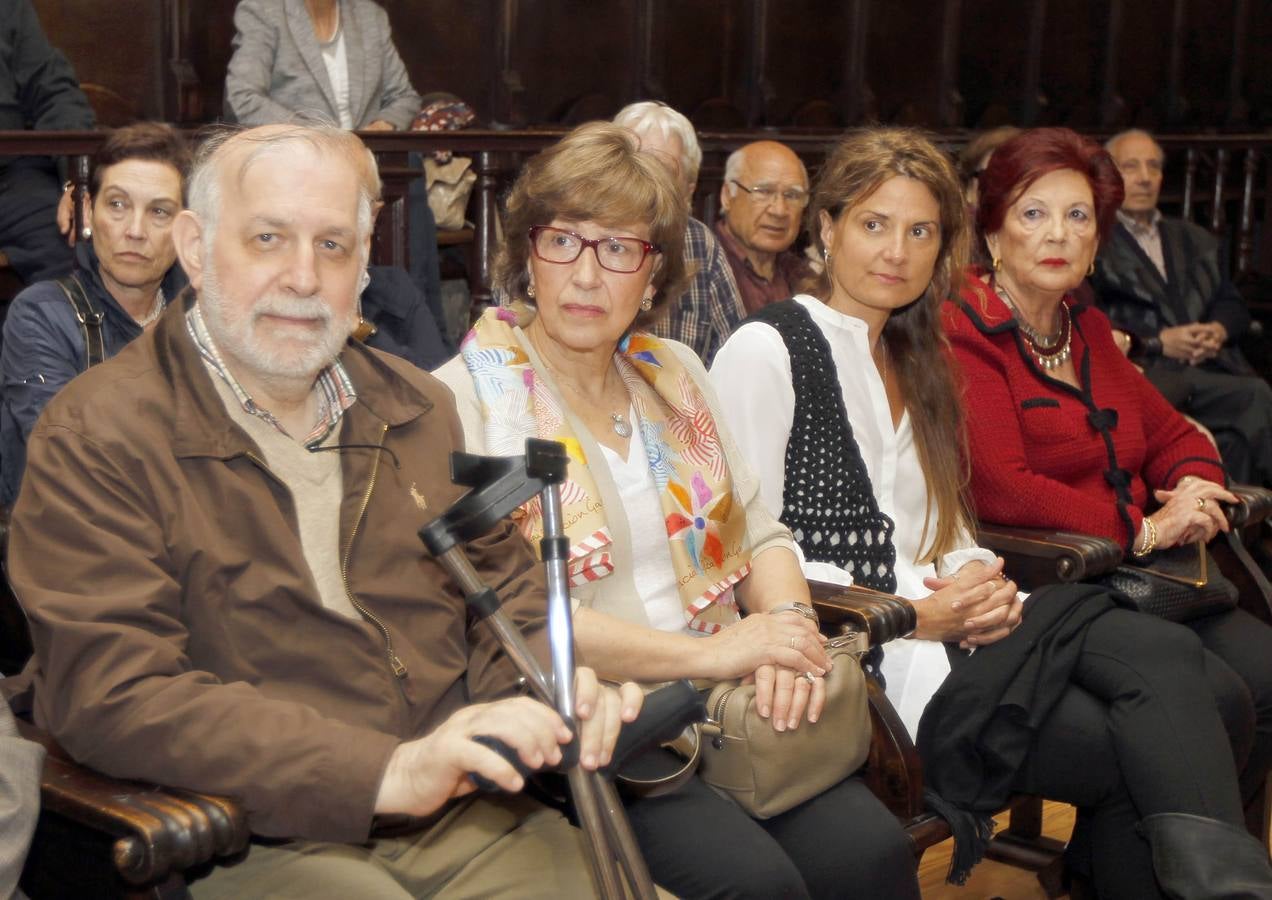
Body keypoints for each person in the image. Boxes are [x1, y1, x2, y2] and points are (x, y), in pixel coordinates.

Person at [6, 123, 642, 899]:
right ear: (196, 248)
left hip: (467, 812)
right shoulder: (97, 434)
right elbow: (114, 692)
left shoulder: (418, 407)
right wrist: (385, 771)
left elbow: (505, 597)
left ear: (364, 262)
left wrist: (552, 686)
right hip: (249, 830)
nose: (304, 278)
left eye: (333, 246)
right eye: (269, 238)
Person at [712, 126, 1272, 898]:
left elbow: (946, 526)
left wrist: (979, 579)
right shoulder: (768, 348)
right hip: (867, 661)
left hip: (969, 634)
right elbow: (743, 544)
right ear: (829, 228)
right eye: (874, 225)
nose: (896, 252)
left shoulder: (916, 356)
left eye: (920, 232)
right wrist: (919, 615)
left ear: (943, 247)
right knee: (1143, 744)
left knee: (1199, 684)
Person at [435, 121, 919, 900]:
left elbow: (760, 531)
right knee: (756, 886)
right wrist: (717, 657)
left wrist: (787, 633)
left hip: (731, 703)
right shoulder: (467, 399)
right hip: (599, 722)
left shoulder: (675, 374)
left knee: (872, 855)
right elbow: (515, 619)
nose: (586, 275)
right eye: (563, 241)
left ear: (653, 272)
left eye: (618, 248)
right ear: (528, 253)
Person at [943, 126, 1272, 838]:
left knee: (1267, 675)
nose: (1057, 234)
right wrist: (1144, 529)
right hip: (1051, 584)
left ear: (1097, 241)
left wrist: (1195, 488)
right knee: (1217, 699)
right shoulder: (965, 328)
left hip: (1144, 577)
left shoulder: (1084, 325)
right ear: (993, 231)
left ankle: (1200, 864)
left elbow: (1176, 435)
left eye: (1078, 216)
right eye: (1034, 213)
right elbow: (1003, 488)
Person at [0, 122, 190, 507]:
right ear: (88, 211)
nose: (135, 230)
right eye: (117, 205)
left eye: (159, 211)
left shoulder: (202, 315)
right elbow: (62, 454)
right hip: (70, 528)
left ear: (186, 229)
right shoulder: (43, 314)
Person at [1092, 128, 1272, 486]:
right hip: (1147, 369)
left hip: (1211, 367)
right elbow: (1093, 319)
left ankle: (1233, 516)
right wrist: (1159, 341)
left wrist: (1217, 330)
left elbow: (1232, 303)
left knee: (1234, 441)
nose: (1145, 177)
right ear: (1108, 177)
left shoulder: (1194, 237)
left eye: (1154, 167)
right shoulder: (1096, 241)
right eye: (1131, 166)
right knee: (1255, 394)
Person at [612, 101, 745, 365]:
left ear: (688, 192)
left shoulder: (699, 244)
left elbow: (736, 357)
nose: (645, 184)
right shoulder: (579, 237)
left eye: (661, 171)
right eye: (633, 166)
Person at [0, 0, 95, 290]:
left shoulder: (8, 9)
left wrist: (73, 180)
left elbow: (56, 94)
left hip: (9, 178)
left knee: (72, 244)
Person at [225, 0, 420, 131]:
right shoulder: (263, 11)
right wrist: (315, 136)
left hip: (365, 162)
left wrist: (382, 125)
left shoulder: (370, 16)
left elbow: (403, 97)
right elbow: (242, 97)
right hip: (292, 162)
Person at [716, 140, 812, 314]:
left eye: (792, 195)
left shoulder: (807, 279)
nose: (779, 211)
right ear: (727, 196)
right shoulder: (700, 268)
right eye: (764, 191)